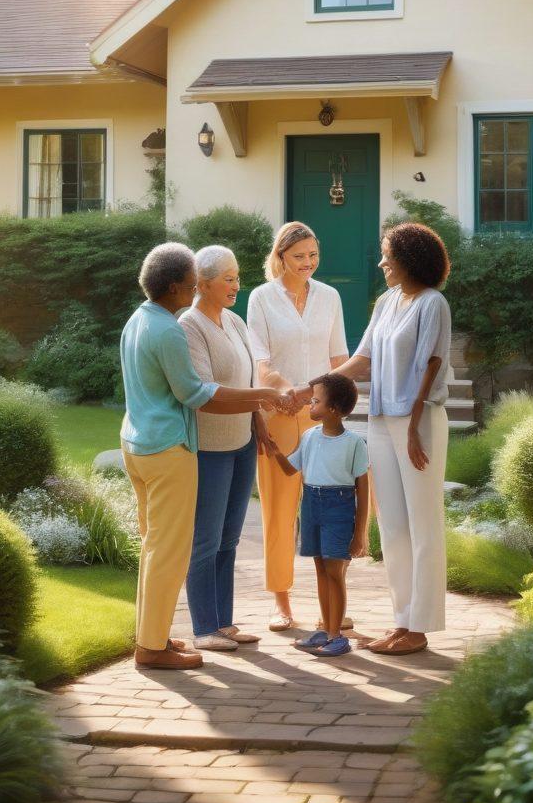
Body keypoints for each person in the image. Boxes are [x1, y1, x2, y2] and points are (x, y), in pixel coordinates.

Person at [120, 242, 287, 671]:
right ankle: (152, 647)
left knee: (154, 549)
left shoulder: (139, 320)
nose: (195, 288)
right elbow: (195, 394)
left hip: (138, 444)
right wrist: (264, 395)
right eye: (192, 282)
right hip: (168, 448)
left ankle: (152, 638)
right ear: (175, 285)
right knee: (171, 552)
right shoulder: (172, 329)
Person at [293, 223, 451, 656]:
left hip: (418, 423)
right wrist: (310, 389)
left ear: (409, 259)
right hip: (381, 420)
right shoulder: (386, 302)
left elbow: (431, 365)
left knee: (423, 524)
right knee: (394, 526)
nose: (381, 263)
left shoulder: (433, 304)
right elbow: (361, 361)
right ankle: (403, 621)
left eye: (388, 255)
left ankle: (421, 627)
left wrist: (416, 426)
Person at [247, 221, 349, 631]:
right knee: (280, 507)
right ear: (280, 258)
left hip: (324, 415)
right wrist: (288, 393)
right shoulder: (261, 298)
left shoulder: (330, 296)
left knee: (331, 505)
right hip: (280, 413)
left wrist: (328, 402)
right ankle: (282, 601)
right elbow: (261, 362)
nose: (308, 263)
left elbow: (339, 359)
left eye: (313, 255)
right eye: (299, 257)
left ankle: (333, 600)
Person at [179, 245, 267, 652]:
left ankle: (224, 623)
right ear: (203, 282)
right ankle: (203, 628)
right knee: (206, 540)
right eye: (228, 278)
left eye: (237, 276)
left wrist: (259, 422)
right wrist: (264, 396)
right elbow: (205, 393)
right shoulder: (189, 326)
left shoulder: (233, 320)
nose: (237, 285)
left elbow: (247, 382)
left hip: (242, 442)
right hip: (210, 447)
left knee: (229, 538)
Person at [266, 373, 369, 658]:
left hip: (339, 507)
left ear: (334, 409)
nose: (309, 406)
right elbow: (291, 470)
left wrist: (359, 533)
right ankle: (326, 629)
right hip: (311, 504)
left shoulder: (354, 444)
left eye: (315, 401)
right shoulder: (309, 437)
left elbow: (363, 490)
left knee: (335, 573)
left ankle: (338, 636)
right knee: (321, 570)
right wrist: (275, 451)